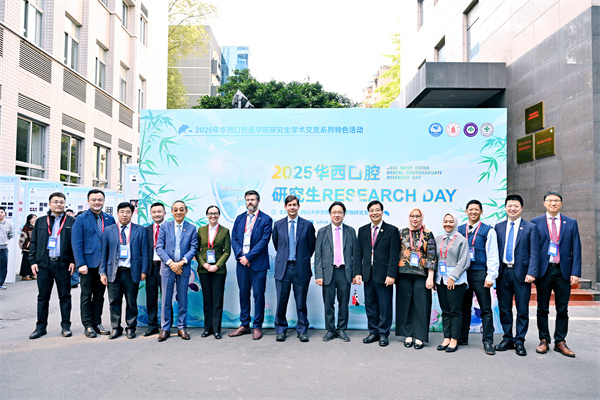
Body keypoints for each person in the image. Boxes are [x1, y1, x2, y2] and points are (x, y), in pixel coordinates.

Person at [532, 190, 581, 358]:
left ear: (561, 203)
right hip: (544, 271)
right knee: (542, 307)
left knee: (562, 308)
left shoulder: (571, 222)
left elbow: (577, 248)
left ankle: (560, 341)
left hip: (563, 271)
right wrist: (533, 271)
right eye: (550, 200)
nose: (553, 203)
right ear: (544, 203)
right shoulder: (536, 222)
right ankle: (544, 339)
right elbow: (533, 249)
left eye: (556, 201)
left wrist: (575, 272)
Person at [495, 194, 539, 356]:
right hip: (503, 273)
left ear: (521, 208)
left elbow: (535, 252)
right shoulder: (498, 227)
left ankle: (519, 341)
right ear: (505, 208)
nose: (512, 209)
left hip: (522, 274)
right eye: (509, 206)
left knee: (522, 309)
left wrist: (532, 272)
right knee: (504, 308)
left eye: (516, 206)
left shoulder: (530, 227)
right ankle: (507, 338)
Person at [29, 192, 76, 339]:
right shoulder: (41, 221)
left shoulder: (71, 221)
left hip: (63, 265)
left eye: (61, 202)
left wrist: (73, 261)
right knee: (43, 297)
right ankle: (40, 327)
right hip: (44, 265)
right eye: (55, 202)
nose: (58, 204)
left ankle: (66, 326)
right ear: (50, 204)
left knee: (65, 297)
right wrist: (33, 261)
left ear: (65, 204)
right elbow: (34, 242)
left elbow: (75, 243)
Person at [353, 200, 399, 347]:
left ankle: (384, 333)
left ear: (382, 212)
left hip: (384, 276)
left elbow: (394, 255)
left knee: (385, 306)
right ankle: (373, 332)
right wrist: (357, 273)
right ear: (368, 213)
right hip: (368, 274)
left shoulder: (391, 230)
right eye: (372, 210)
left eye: (377, 210)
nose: (375, 213)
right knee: (370, 304)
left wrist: (391, 274)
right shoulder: (362, 230)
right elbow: (358, 254)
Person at [99, 202, 148, 339]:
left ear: (132, 214)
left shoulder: (140, 230)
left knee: (131, 302)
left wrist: (143, 271)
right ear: (117, 213)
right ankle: (116, 328)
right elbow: (104, 254)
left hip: (131, 271)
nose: (124, 215)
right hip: (113, 272)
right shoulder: (108, 230)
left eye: (128, 212)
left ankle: (131, 328)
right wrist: (102, 272)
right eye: (122, 212)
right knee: (114, 301)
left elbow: (144, 253)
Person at [457, 200, 500, 355]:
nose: (473, 212)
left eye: (476, 209)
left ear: (481, 212)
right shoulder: (459, 230)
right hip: (463, 273)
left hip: (480, 273)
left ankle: (487, 341)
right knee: (463, 307)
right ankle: (462, 337)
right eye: (471, 209)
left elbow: (493, 254)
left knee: (485, 309)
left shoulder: (488, 231)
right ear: (466, 211)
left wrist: (491, 276)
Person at [229, 190, 273, 340]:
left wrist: (248, 257)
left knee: (258, 295)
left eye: (253, 199)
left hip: (258, 264)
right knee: (243, 294)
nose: (250, 202)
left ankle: (257, 326)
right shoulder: (240, 218)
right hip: (242, 263)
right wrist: (241, 256)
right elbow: (234, 239)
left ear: (258, 201)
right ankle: (244, 324)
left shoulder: (266, 219)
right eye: (248, 199)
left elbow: (264, 241)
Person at [72, 189, 116, 338]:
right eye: (94, 200)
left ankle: (97, 323)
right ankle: (88, 325)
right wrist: (80, 263)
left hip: (104, 265)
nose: (97, 202)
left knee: (99, 296)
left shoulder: (109, 219)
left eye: (99, 200)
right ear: (88, 201)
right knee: (86, 295)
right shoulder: (81, 219)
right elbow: (76, 243)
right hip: (88, 264)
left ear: (103, 201)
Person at [272, 195, 316, 342]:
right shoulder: (278, 225)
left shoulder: (307, 225)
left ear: (298, 206)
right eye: (289, 205)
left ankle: (302, 329)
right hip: (283, 269)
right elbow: (277, 245)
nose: (292, 207)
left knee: (301, 302)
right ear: (285, 207)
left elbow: (311, 246)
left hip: (300, 268)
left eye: (294, 205)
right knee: (281, 301)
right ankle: (280, 329)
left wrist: (301, 258)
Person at [156, 200, 198, 342]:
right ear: (172, 212)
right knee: (166, 299)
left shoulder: (191, 228)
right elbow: (159, 247)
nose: (178, 212)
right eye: (175, 210)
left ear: (186, 211)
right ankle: (165, 328)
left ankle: (181, 327)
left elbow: (193, 248)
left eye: (181, 209)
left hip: (183, 268)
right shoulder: (164, 227)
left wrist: (180, 263)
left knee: (182, 298)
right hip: (167, 268)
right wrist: (171, 263)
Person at [314, 201, 356, 342]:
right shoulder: (322, 231)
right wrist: (318, 275)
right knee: (328, 303)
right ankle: (330, 330)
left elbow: (355, 255)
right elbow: (318, 255)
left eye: (340, 212)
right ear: (330, 214)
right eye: (334, 212)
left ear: (344, 214)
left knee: (343, 303)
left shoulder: (351, 231)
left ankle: (342, 329)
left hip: (345, 272)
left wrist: (355, 274)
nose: (337, 215)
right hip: (328, 273)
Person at [395, 207, 436, 350]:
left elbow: (431, 256)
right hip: (403, 274)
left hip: (421, 275)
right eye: (412, 216)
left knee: (421, 306)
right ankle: (408, 334)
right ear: (409, 217)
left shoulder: (428, 234)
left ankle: (419, 336)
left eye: (418, 216)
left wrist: (430, 277)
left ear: (421, 218)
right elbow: (395, 253)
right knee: (405, 305)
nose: (415, 219)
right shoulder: (401, 233)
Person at [435, 213, 470, 353]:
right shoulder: (438, 238)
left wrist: (453, 277)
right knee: (445, 310)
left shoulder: (461, 239)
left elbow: (464, 261)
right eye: (446, 221)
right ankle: (446, 337)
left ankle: (454, 339)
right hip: (441, 279)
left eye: (451, 221)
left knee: (455, 310)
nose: (448, 224)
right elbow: (434, 258)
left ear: (455, 223)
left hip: (456, 280)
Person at [196, 205, 231, 340]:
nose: (213, 216)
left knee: (217, 300)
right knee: (207, 299)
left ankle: (216, 330)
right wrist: (203, 264)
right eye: (210, 213)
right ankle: (207, 329)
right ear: (207, 215)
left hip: (218, 270)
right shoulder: (201, 230)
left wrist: (217, 265)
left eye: (215, 213)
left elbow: (227, 251)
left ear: (219, 215)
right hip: (204, 269)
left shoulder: (225, 231)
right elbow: (197, 249)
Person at [144, 202, 167, 337]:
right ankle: (152, 326)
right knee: (151, 298)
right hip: (151, 268)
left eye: (159, 211)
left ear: (164, 213)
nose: (157, 214)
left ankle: (166, 326)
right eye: (154, 212)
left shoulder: (170, 228)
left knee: (166, 298)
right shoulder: (146, 230)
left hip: (166, 267)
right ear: (151, 214)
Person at [0, 206, 15, 290]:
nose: (0, 214)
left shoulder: (9, 224)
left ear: (4, 214)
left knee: (3, 266)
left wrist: (4, 241)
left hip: (3, 248)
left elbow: (10, 235)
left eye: (1, 212)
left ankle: (1, 283)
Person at [19, 214, 37, 280]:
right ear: (29, 219)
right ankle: (24, 276)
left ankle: (32, 274)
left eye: (35, 218)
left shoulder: (36, 227)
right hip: (27, 248)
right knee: (26, 262)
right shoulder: (26, 227)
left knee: (33, 261)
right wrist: (23, 247)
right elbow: (22, 238)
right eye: (33, 218)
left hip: (34, 248)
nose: (35, 219)